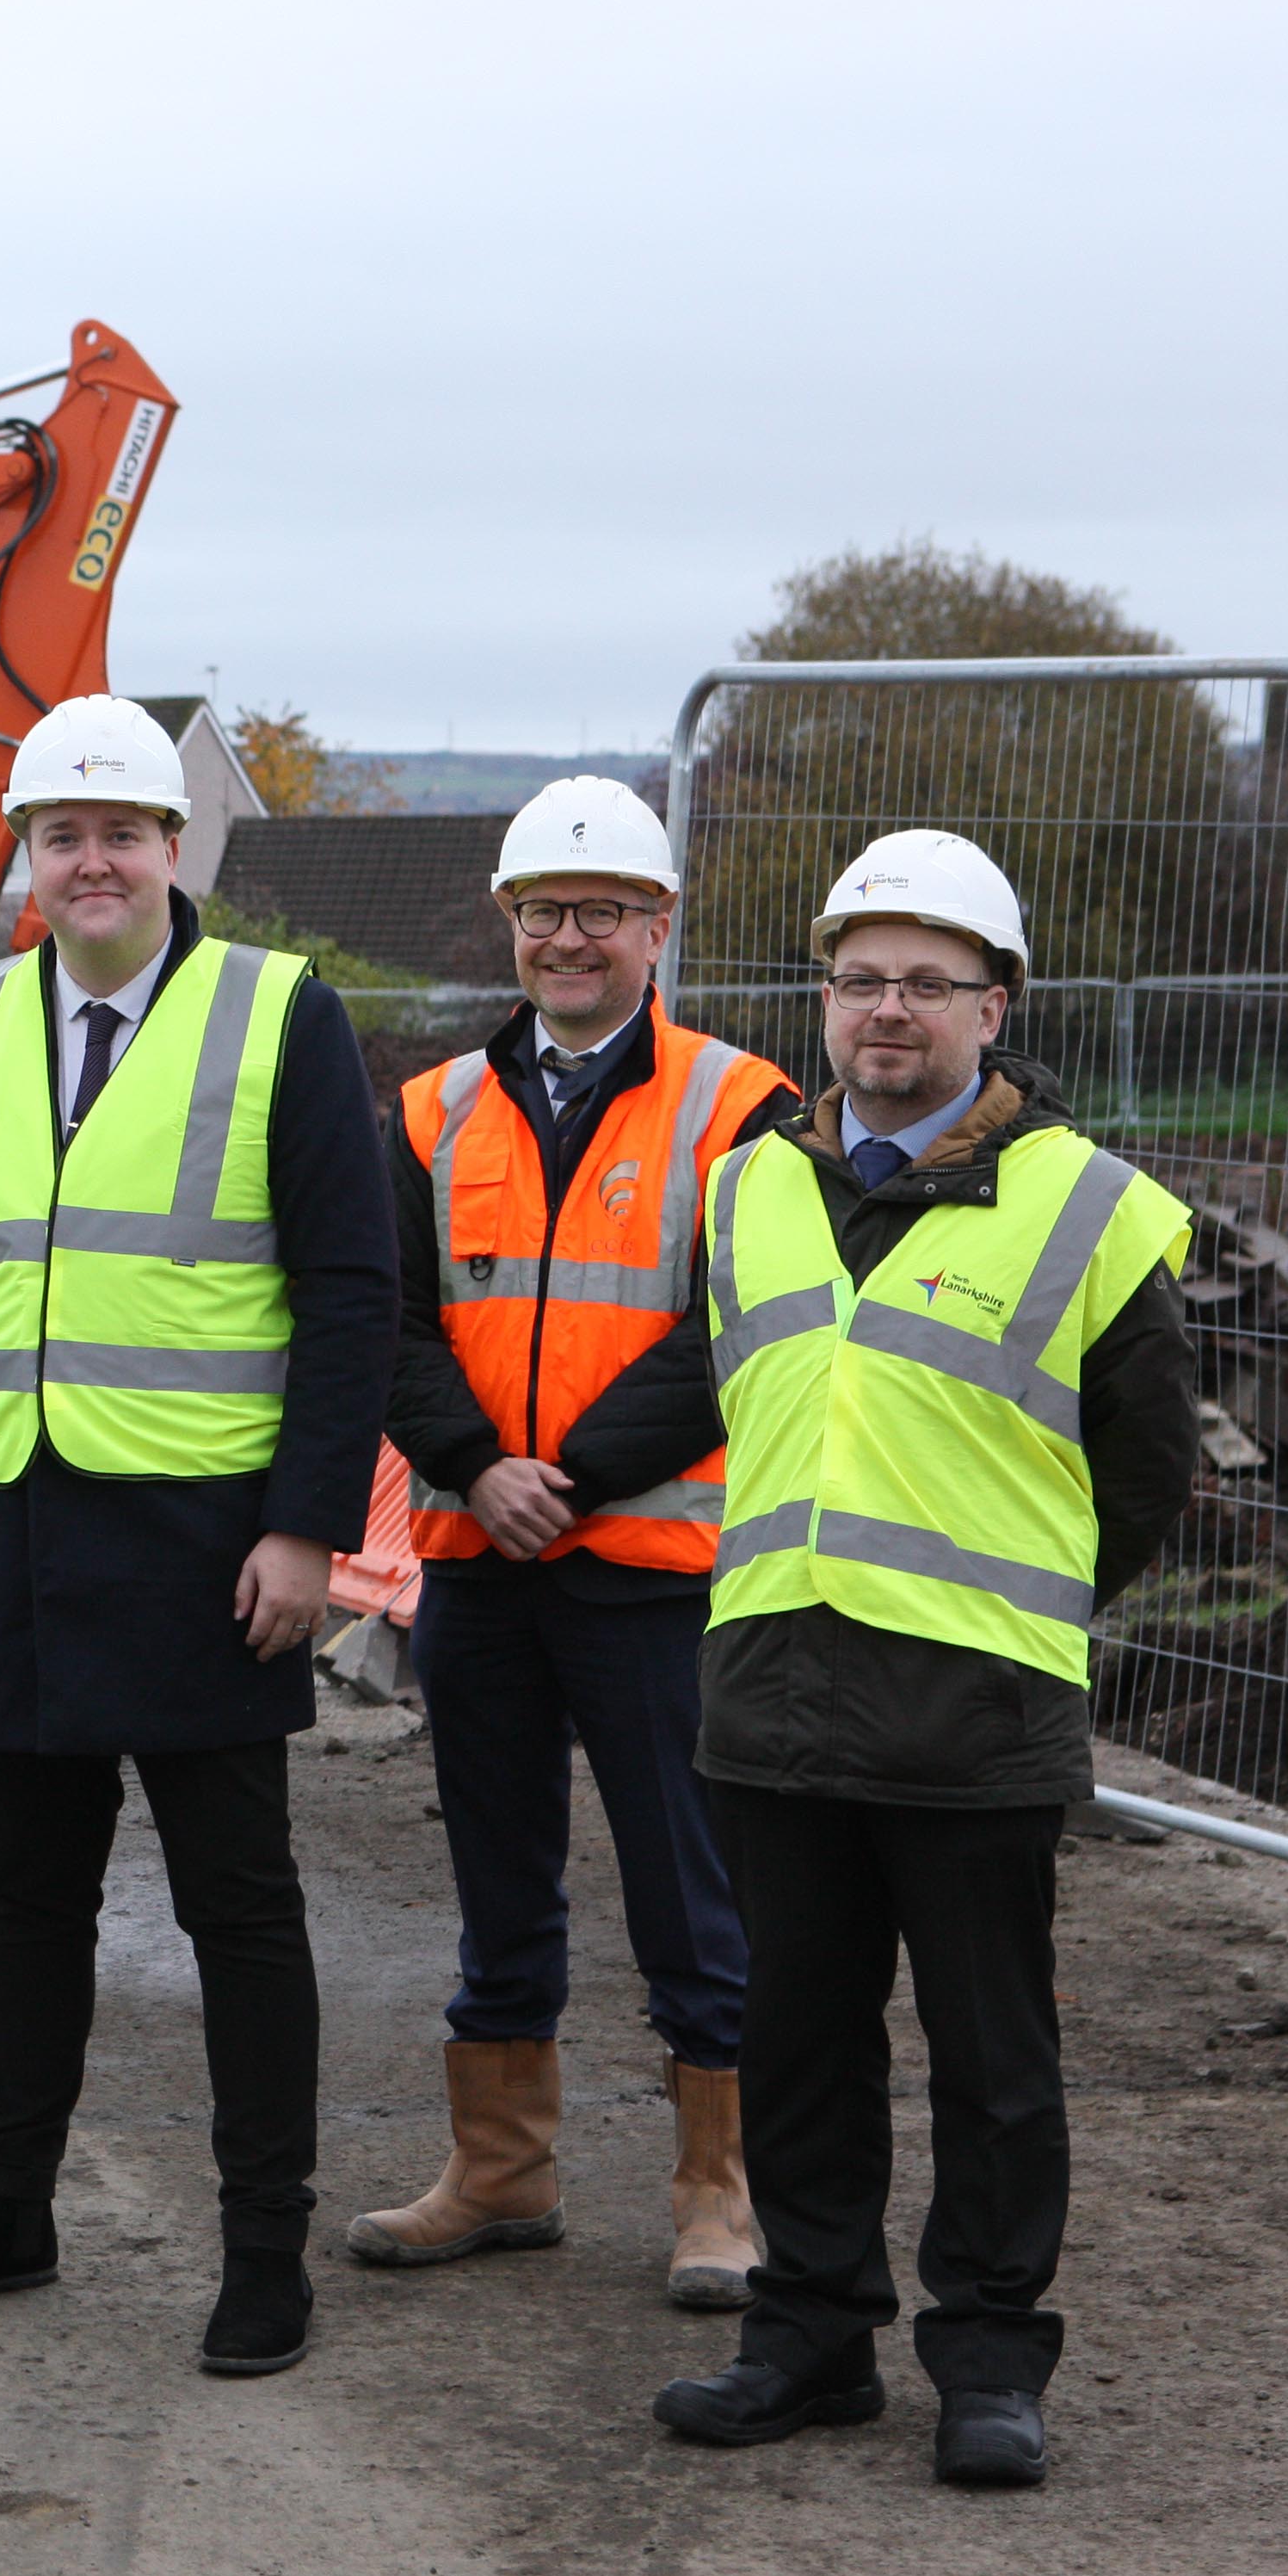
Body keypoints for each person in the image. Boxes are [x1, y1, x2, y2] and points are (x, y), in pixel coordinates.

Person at [0, 693, 399, 2376]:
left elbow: (349, 1290)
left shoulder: (276, 1015)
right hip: (13, 1525)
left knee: (239, 1906)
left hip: (205, 1543)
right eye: (63, 833)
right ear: (28, 857)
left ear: (177, 849)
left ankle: (265, 2254)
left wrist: (311, 1530)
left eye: (123, 830)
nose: (93, 860)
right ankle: (8, 2209)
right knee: (31, 1897)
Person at [655, 831, 1193, 2492]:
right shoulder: (750, 1182)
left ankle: (986, 2361)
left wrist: (1021, 1604)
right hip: (775, 1695)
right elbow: (721, 1395)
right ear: (825, 999)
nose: (889, 1010)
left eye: (927, 982)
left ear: (994, 1005)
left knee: (993, 2062)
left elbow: (1147, 1469)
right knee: (801, 2046)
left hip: (973, 1710)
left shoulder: (1091, 1207)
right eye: (862, 978)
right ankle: (809, 2338)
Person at [354, 780, 786, 2309]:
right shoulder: (428, 1110)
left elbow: (741, 1318)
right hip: (478, 1557)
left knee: (688, 1878)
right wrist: (477, 1462)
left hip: (650, 1567)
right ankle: (502, 2169)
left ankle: (719, 2187)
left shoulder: (743, 1105)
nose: (571, 934)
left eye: (603, 908)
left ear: (658, 925)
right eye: (544, 907)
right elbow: (387, 1320)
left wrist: (577, 1472)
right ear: (510, 921)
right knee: (495, 1867)